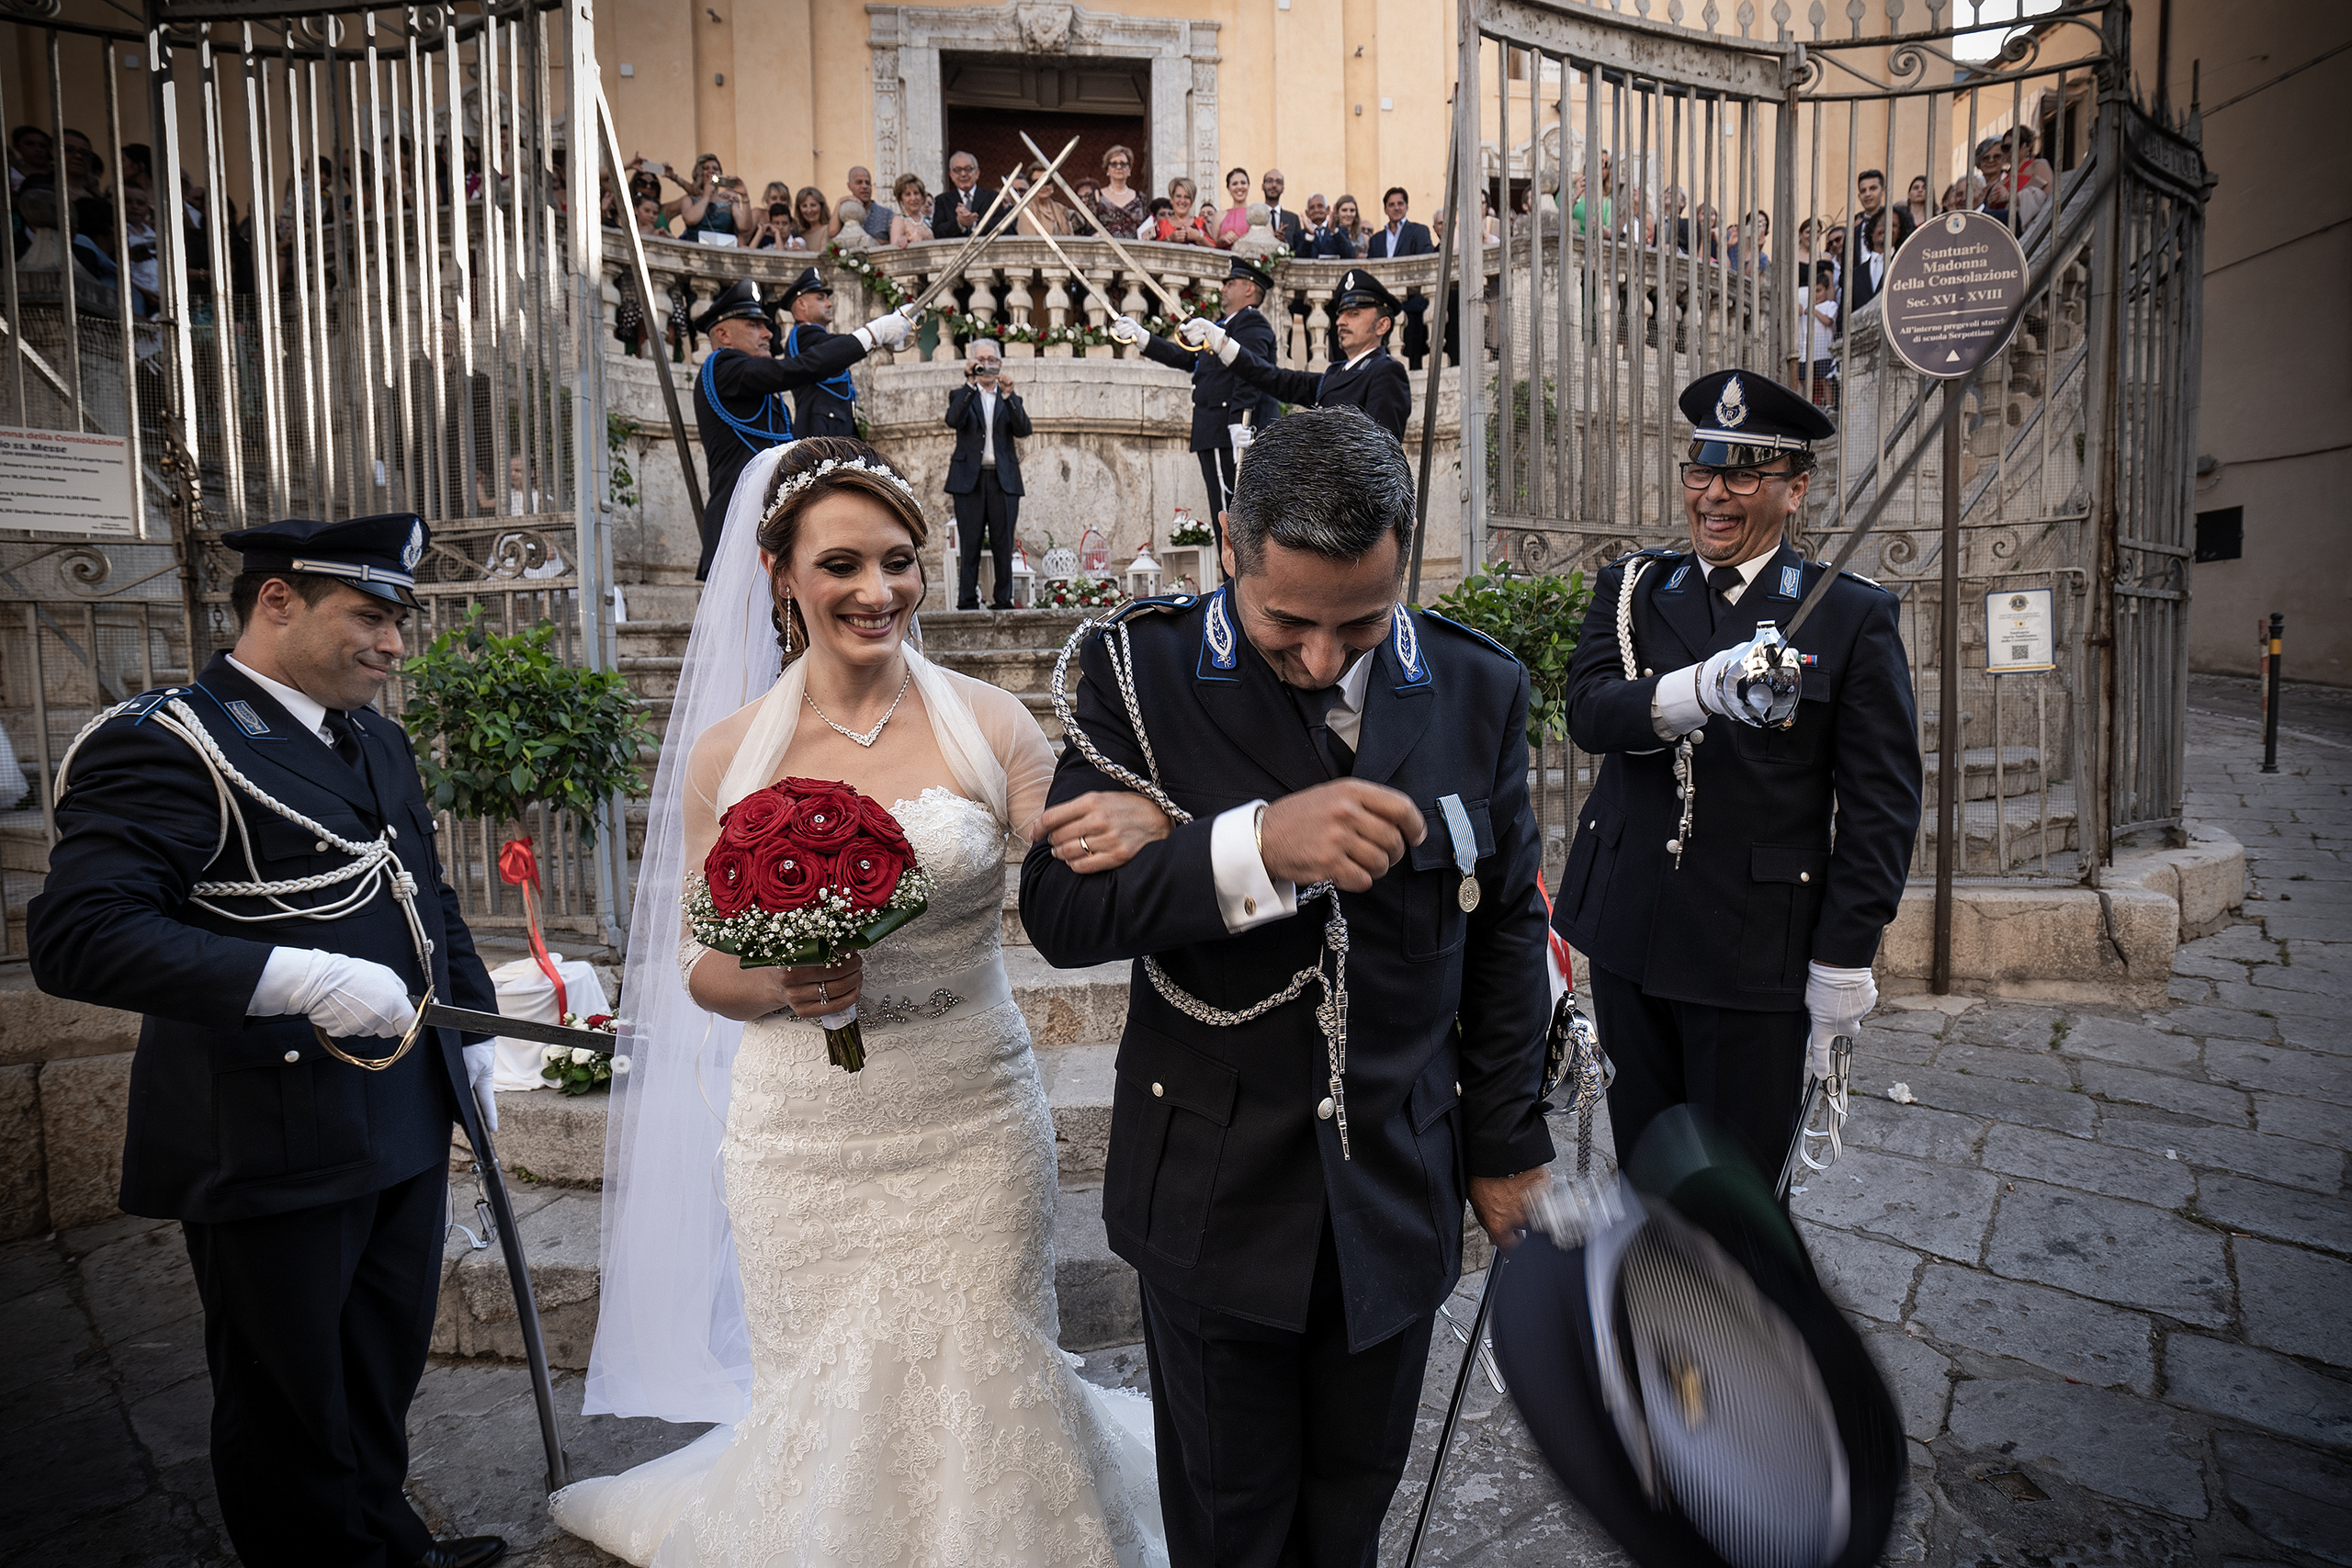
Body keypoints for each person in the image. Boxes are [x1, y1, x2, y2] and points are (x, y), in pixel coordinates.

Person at [556, 437, 1177, 1565]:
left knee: (986, 1363)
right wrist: (783, 980)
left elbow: (1072, 861)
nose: (875, 590)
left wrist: (1149, 825)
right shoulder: (727, 755)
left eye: (898, 561)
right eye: (841, 563)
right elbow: (701, 968)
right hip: (801, 1136)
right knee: (828, 1394)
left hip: (970, 1115)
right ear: (780, 575)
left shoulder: (989, 726)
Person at [1019, 405, 1558, 1568]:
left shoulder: (1478, 685)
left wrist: (1506, 1144)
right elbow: (1059, 915)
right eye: (1286, 629)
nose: (1322, 660)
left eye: (1361, 625)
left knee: (1349, 1513)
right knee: (1230, 1522)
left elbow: (1507, 930)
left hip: (1397, 1186)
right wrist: (1253, 845)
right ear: (1228, 544)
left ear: (1407, 559)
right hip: (1211, 1193)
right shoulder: (1139, 671)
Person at [28, 513, 507, 1568]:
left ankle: (385, 1543)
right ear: (277, 601)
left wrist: (468, 1029)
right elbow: (80, 939)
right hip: (266, 1126)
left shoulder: (371, 735)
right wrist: (299, 977)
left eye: (397, 621)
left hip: (400, 1108)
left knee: (379, 1363)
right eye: (370, 617)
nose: (392, 645)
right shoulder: (163, 741)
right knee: (287, 1393)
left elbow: (425, 894)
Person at [1553, 368, 1922, 1180]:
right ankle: (1652, 1309)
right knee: (1649, 1179)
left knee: (1739, 1199)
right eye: (1701, 470)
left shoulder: (1849, 612)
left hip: (1753, 949)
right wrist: (1695, 691)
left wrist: (1843, 960)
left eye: (1743, 475)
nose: (1713, 496)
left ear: (1796, 490)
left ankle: (1729, 1314)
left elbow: (1880, 808)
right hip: (1632, 930)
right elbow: (1589, 714)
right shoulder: (1635, 590)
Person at [690, 277, 911, 579]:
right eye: (754, 325)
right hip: (741, 528)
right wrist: (872, 334)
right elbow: (797, 368)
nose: (768, 333)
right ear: (723, 334)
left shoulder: (748, 378)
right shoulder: (724, 367)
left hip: (767, 522)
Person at [1113, 255, 1282, 536]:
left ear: (1250, 289)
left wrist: (1240, 421)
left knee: (1234, 514)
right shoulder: (1223, 327)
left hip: (1228, 433)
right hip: (1216, 431)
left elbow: (1250, 374)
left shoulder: (1251, 325)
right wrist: (1143, 338)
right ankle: (1234, 578)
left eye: (1231, 283)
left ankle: (1238, 578)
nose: (1224, 288)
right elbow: (1187, 358)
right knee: (1225, 512)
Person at [1171, 267, 1414, 445]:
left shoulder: (1385, 371)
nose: (1340, 321)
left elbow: (1381, 456)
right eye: (1341, 314)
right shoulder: (1334, 372)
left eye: (1354, 314)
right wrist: (1222, 342)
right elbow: (1272, 378)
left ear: (1382, 326)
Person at [944, 340, 1031, 611]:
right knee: (969, 543)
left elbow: (1024, 429)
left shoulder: (1009, 398)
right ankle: (967, 601)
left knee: (1002, 543)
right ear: (973, 364)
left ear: (999, 364)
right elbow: (953, 420)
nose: (986, 363)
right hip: (968, 479)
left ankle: (1002, 600)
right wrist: (970, 383)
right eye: (981, 359)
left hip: (1003, 480)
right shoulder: (961, 394)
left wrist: (1009, 395)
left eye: (991, 358)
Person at [775, 267, 858, 440]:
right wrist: (870, 337)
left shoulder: (814, 335)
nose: (829, 304)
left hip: (833, 429)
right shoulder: (804, 334)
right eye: (821, 298)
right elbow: (838, 348)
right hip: (822, 431)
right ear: (801, 304)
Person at [932, 150, 997, 241]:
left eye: (968, 169)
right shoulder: (942, 200)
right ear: (951, 175)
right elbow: (938, 232)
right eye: (958, 170)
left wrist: (974, 224)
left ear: (977, 173)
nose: (963, 174)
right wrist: (959, 223)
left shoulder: (993, 197)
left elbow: (1002, 225)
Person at [1089, 144, 1147, 240]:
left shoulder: (1140, 198)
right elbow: (1088, 229)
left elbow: (1147, 227)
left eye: (1123, 164)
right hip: (1106, 251)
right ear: (1107, 169)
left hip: (1134, 251)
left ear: (1129, 169)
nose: (1119, 167)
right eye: (1114, 164)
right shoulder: (1097, 196)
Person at [1364, 186, 1433, 258]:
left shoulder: (1420, 232)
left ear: (1407, 207)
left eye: (1400, 204)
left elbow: (1426, 260)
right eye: (1391, 205)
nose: (1396, 208)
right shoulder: (1375, 240)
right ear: (1385, 210)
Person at [844, 164, 894, 243]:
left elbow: (895, 245)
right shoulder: (844, 213)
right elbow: (832, 235)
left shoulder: (887, 214)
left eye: (867, 183)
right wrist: (839, 202)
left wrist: (874, 242)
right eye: (859, 182)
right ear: (849, 186)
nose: (864, 186)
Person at [1259, 166, 1305, 252]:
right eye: (1269, 181)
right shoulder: (1255, 216)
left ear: (1283, 189)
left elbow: (1299, 250)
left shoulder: (1293, 219)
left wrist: (1284, 242)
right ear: (1262, 186)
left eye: (1278, 182)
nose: (1274, 185)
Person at [1211, 165, 1253, 248]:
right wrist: (1222, 239)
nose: (1239, 187)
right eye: (1234, 184)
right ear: (1228, 188)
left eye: (1243, 183)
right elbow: (1212, 246)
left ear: (1248, 186)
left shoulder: (1258, 213)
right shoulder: (1220, 215)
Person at [889, 173, 933, 246]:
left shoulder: (928, 219)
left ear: (922, 196)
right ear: (901, 199)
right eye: (908, 194)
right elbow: (894, 246)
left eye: (916, 193)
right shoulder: (899, 220)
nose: (913, 198)